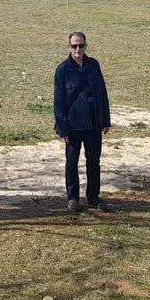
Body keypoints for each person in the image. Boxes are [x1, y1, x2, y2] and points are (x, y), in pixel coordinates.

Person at [53, 31, 112, 212]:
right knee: (72, 162)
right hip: (73, 126)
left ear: (86, 45)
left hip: (94, 124)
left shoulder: (94, 65)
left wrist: (106, 119)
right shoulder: (62, 70)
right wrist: (63, 129)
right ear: (69, 46)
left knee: (93, 161)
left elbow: (102, 93)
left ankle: (93, 198)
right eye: (74, 46)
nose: (78, 49)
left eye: (81, 45)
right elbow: (58, 102)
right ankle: (73, 199)